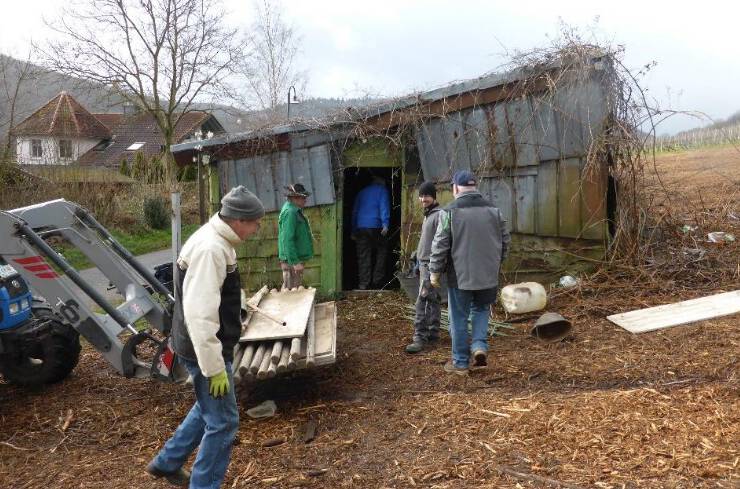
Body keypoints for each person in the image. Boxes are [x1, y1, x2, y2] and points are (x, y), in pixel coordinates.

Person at [147, 186, 265, 488]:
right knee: (224, 423)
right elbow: (200, 315)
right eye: (254, 222)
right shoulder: (211, 249)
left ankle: (166, 463)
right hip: (203, 349)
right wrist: (213, 369)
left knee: (207, 408)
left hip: (203, 345)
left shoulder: (220, 241)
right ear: (238, 220)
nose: (257, 228)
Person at [429, 170, 510, 376]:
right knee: (482, 309)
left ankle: (460, 363)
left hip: (460, 276)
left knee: (459, 318)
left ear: (455, 188)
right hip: (488, 276)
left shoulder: (449, 212)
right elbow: (505, 242)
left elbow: (440, 245)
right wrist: (495, 264)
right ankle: (479, 345)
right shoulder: (495, 211)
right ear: (475, 186)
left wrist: (434, 272)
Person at [406, 181, 443, 354]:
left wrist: (433, 264)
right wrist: (417, 254)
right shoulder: (428, 214)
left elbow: (441, 243)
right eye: (421, 196)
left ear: (433, 196)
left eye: (426, 195)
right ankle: (434, 333)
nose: (422, 199)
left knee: (421, 300)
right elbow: (428, 240)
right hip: (424, 263)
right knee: (433, 299)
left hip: (430, 264)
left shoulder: (439, 215)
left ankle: (419, 338)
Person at [352, 175, 391, 289]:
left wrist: (354, 229)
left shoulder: (362, 192)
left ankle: (364, 284)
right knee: (382, 250)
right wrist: (385, 223)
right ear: (381, 183)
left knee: (363, 255)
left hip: (361, 226)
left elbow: (355, 211)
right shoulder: (382, 190)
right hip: (376, 226)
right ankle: (377, 281)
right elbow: (384, 206)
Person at [278, 183, 314, 290]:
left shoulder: (294, 210)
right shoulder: (290, 213)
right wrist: (295, 262)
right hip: (291, 262)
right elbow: (287, 239)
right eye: (303, 197)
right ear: (295, 198)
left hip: (293, 260)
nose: (305, 200)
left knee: (293, 292)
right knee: (291, 296)